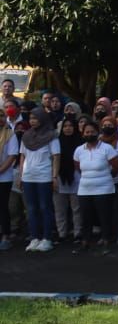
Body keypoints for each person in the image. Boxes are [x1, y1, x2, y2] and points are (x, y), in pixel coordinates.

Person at [73, 120, 118, 251]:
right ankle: (85, 241)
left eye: (92, 132)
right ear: (83, 134)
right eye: (87, 132)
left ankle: (106, 241)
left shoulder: (107, 148)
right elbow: (78, 168)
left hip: (104, 188)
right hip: (84, 189)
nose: (90, 134)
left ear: (97, 132)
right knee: (86, 217)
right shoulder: (79, 150)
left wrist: (106, 177)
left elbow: (117, 166)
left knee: (104, 216)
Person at [18, 106, 59, 252]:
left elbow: (55, 157)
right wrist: (21, 175)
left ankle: (47, 238)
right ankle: (34, 238)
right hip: (29, 176)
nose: (32, 121)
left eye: (35, 118)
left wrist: (54, 176)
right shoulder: (26, 136)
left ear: (42, 119)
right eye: (31, 118)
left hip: (44, 176)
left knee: (45, 207)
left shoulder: (51, 135)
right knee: (31, 208)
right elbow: (22, 156)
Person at [54, 116, 83, 245]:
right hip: (59, 178)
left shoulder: (81, 142)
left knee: (76, 208)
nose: (68, 128)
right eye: (65, 126)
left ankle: (78, 233)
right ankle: (62, 233)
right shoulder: (57, 142)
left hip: (77, 177)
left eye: (70, 126)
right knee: (60, 208)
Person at [0, 113, 17, 250]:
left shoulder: (10, 134)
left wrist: (0, 170)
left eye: (1, 117)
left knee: (2, 207)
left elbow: (12, 156)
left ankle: (6, 235)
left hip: (4, 177)